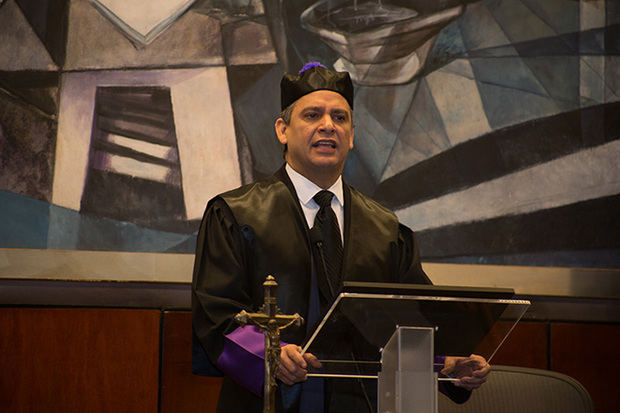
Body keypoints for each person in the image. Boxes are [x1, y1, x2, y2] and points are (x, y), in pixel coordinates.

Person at [192, 63, 490, 412]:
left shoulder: (385, 230)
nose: (328, 125)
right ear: (283, 130)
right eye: (312, 115)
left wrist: (446, 365)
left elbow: (411, 325)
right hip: (270, 403)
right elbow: (216, 316)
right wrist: (269, 355)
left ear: (351, 136)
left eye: (340, 117)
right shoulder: (235, 215)